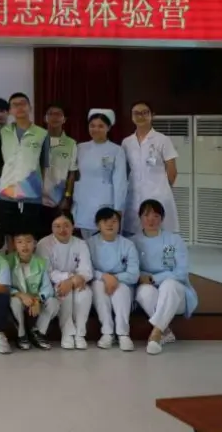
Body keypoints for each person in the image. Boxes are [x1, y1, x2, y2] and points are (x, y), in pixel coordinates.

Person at [133, 199, 197, 355]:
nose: (151, 220)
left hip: (176, 295)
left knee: (169, 284)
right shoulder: (133, 242)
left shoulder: (173, 240)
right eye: (146, 215)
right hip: (151, 293)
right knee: (144, 292)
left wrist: (154, 278)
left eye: (156, 216)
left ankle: (156, 334)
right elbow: (132, 269)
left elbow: (181, 272)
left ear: (162, 218)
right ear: (140, 217)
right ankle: (165, 331)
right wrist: (142, 278)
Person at [0, 92, 49, 243]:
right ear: (10, 111)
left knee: (29, 237)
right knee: (9, 236)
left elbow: (44, 165)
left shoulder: (42, 133)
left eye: (23, 104)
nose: (19, 107)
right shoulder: (3, 133)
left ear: (30, 107)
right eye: (15, 105)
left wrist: (39, 187)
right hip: (7, 192)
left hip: (32, 193)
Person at [37, 210, 93, 349]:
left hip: (78, 282)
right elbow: (47, 272)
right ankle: (67, 333)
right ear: (51, 227)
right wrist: (69, 278)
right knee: (64, 291)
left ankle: (80, 333)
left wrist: (72, 280)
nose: (62, 230)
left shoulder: (80, 244)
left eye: (66, 225)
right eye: (57, 226)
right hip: (53, 284)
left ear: (73, 226)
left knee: (85, 293)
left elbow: (86, 270)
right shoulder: (44, 244)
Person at [123, 102, 179, 235]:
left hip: (158, 195)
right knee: (134, 233)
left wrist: (162, 189)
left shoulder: (162, 140)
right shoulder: (127, 142)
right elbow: (125, 170)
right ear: (132, 116)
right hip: (134, 195)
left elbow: (172, 171)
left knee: (158, 233)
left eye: (144, 112)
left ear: (152, 115)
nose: (140, 116)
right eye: (136, 113)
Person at [86, 207, 138, 351]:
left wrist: (114, 278)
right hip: (98, 280)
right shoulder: (89, 244)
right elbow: (86, 270)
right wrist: (104, 276)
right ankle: (107, 332)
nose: (110, 224)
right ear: (98, 225)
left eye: (114, 221)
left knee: (121, 290)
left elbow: (134, 274)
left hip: (123, 282)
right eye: (105, 221)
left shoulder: (128, 245)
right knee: (98, 287)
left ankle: (123, 334)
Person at [74, 109, 128, 239]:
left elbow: (120, 181)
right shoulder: (80, 148)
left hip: (106, 202)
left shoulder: (116, 150)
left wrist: (118, 209)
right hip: (83, 202)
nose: (95, 129)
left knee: (105, 240)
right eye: (92, 126)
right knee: (85, 242)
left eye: (100, 126)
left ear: (108, 128)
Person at [7, 231, 57, 351]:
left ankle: (38, 333)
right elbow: (4, 286)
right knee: (15, 302)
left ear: (35, 243)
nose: (24, 245)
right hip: (18, 298)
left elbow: (47, 288)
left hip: (35, 298)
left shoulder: (41, 262)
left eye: (28, 241)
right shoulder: (7, 261)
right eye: (20, 242)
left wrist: (37, 300)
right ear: (14, 245)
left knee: (54, 302)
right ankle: (21, 335)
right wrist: (20, 295)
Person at [40, 103, 78, 240]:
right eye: (51, 114)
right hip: (36, 199)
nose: (54, 117)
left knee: (56, 238)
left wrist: (67, 197)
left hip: (58, 200)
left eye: (58, 114)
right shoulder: (37, 140)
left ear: (64, 119)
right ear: (45, 118)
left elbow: (72, 173)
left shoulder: (71, 143)